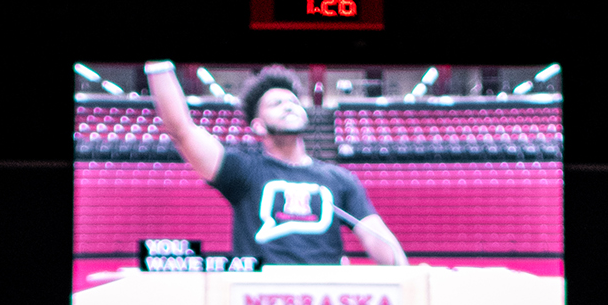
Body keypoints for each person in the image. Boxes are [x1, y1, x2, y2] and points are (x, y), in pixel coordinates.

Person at [140, 60, 410, 268]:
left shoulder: (340, 179)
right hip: (259, 303)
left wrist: (406, 274)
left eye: (294, 101)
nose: (289, 106)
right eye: (277, 103)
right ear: (258, 125)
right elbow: (181, 130)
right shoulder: (243, 171)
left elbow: (376, 236)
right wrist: (158, 65)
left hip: (324, 300)